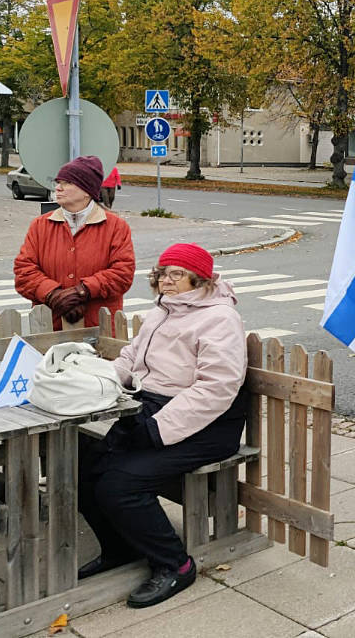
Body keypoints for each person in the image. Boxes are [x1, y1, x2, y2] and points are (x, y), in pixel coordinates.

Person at [77, 243, 248, 608]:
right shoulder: (162, 311)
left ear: (198, 279)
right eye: (161, 274)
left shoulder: (219, 318)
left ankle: (175, 564)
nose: (165, 281)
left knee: (120, 484)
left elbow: (217, 388)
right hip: (152, 409)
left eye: (175, 274)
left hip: (208, 424)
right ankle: (120, 548)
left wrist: (157, 428)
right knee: (84, 465)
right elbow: (130, 358)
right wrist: (99, 381)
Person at [13, 155, 135, 330]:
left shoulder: (116, 227)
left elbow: (122, 273)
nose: (58, 188)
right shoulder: (40, 226)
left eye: (67, 183)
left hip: (100, 329)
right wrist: (52, 295)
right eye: (58, 182)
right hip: (49, 329)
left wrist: (83, 291)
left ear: (87, 190)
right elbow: (24, 272)